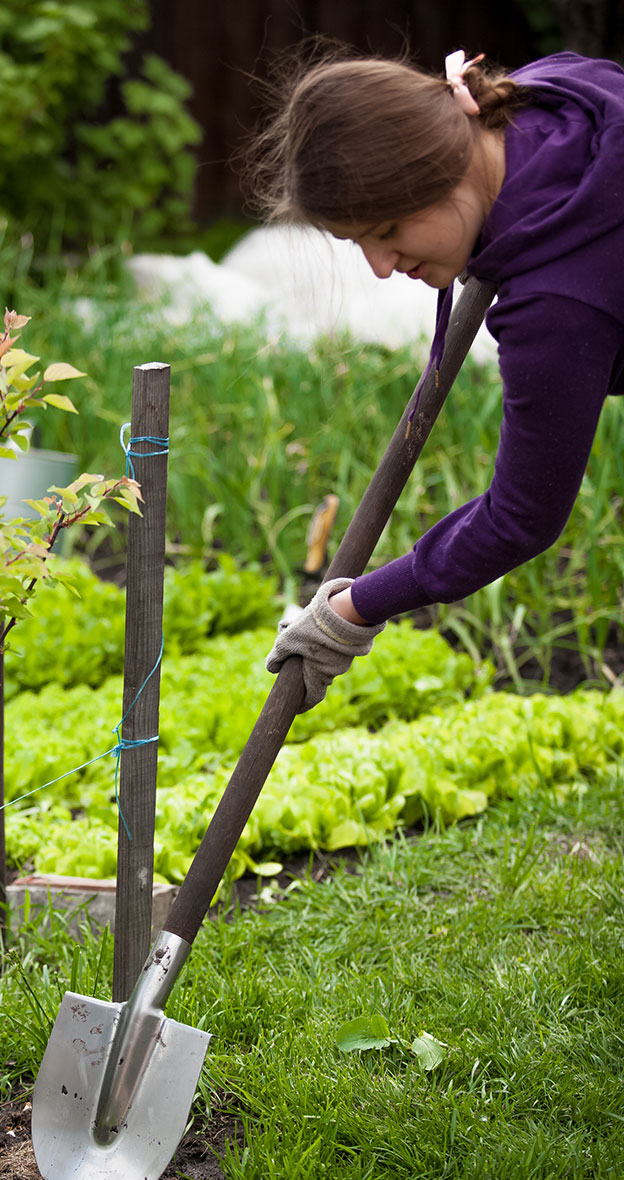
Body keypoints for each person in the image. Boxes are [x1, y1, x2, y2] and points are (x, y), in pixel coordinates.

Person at [260, 46, 624, 705]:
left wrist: (354, 610)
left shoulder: (553, 304)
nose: (378, 265)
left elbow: (521, 517)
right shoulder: (557, 90)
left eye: (389, 229)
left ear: (443, 163)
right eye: (357, 242)